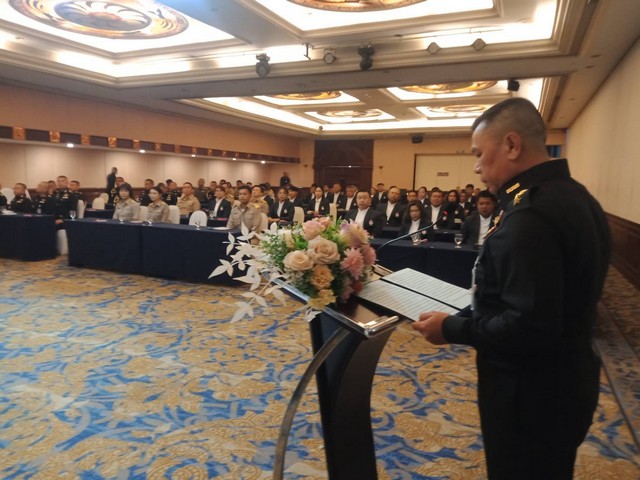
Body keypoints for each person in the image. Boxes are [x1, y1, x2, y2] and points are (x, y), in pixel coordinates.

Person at [412, 98, 611, 480]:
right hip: (567, 379)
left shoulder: (531, 215)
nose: (476, 167)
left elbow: (529, 325)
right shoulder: (575, 195)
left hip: (530, 394)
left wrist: (450, 328)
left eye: (478, 153)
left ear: (512, 145)